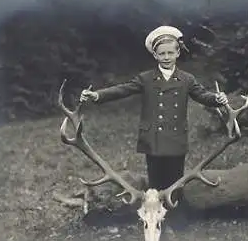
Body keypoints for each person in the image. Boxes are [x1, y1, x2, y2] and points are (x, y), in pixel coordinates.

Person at [80, 26, 228, 228]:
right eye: (162, 53)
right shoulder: (146, 78)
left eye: (170, 52)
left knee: (176, 180)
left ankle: (178, 218)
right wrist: (97, 96)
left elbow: (202, 95)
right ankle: (156, 219)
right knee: (156, 181)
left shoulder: (187, 79)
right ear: (155, 55)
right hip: (154, 139)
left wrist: (217, 99)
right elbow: (122, 89)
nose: (166, 57)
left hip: (176, 138)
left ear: (177, 53)